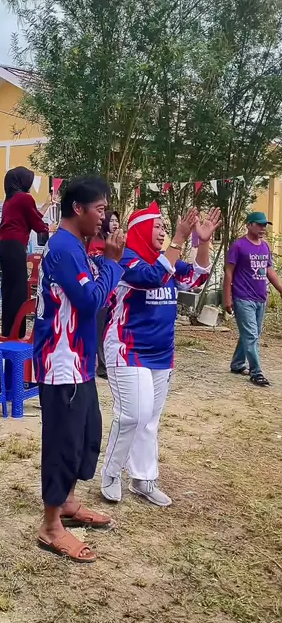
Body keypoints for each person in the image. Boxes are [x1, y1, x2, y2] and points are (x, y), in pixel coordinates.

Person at [100, 201, 221, 507]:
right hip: (127, 348)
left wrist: (203, 242)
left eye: (166, 227)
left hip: (161, 353)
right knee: (132, 415)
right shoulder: (126, 258)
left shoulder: (166, 260)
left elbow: (196, 277)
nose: (164, 231)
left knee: (150, 419)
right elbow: (151, 277)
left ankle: (143, 478)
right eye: (158, 226)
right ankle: (111, 473)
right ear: (140, 229)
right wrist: (179, 239)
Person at [33, 176, 125, 563]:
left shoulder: (78, 247)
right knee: (63, 442)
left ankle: (68, 502)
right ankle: (51, 526)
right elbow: (90, 301)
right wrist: (112, 264)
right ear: (78, 209)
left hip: (80, 359)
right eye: (100, 209)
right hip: (61, 361)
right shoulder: (64, 249)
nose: (104, 217)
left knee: (86, 434)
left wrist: (107, 261)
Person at [223, 211, 282, 387]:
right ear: (249, 225)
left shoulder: (265, 247)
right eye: (259, 224)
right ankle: (256, 373)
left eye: (265, 225)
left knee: (251, 334)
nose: (263, 228)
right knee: (251, 335)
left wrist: (280, 289)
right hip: (243, 297)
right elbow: (228, 272)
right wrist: (227, 298)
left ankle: (237, 364)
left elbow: (269, 270)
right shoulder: (239, 246)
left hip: (260, 298)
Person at [0, 167, 50, 337]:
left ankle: (8, 330)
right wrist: (49, 229)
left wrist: (47, 204)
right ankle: (17, 333)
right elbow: (37, 223)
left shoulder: (11, 199)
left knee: (9, 288)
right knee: (19, 290)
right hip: (15, 245)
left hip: (4, 245)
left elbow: (32, 217)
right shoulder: (24, 198)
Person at [87, 211, 120, 380]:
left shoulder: (114, 241)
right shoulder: (97, 241)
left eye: (117, 220)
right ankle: (102, 365)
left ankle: (107, 363)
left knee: (108, 329)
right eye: (111, 220)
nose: (115, 223)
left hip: (114, 292)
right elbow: (99, 262)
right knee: (100, 330)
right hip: (101, 290)